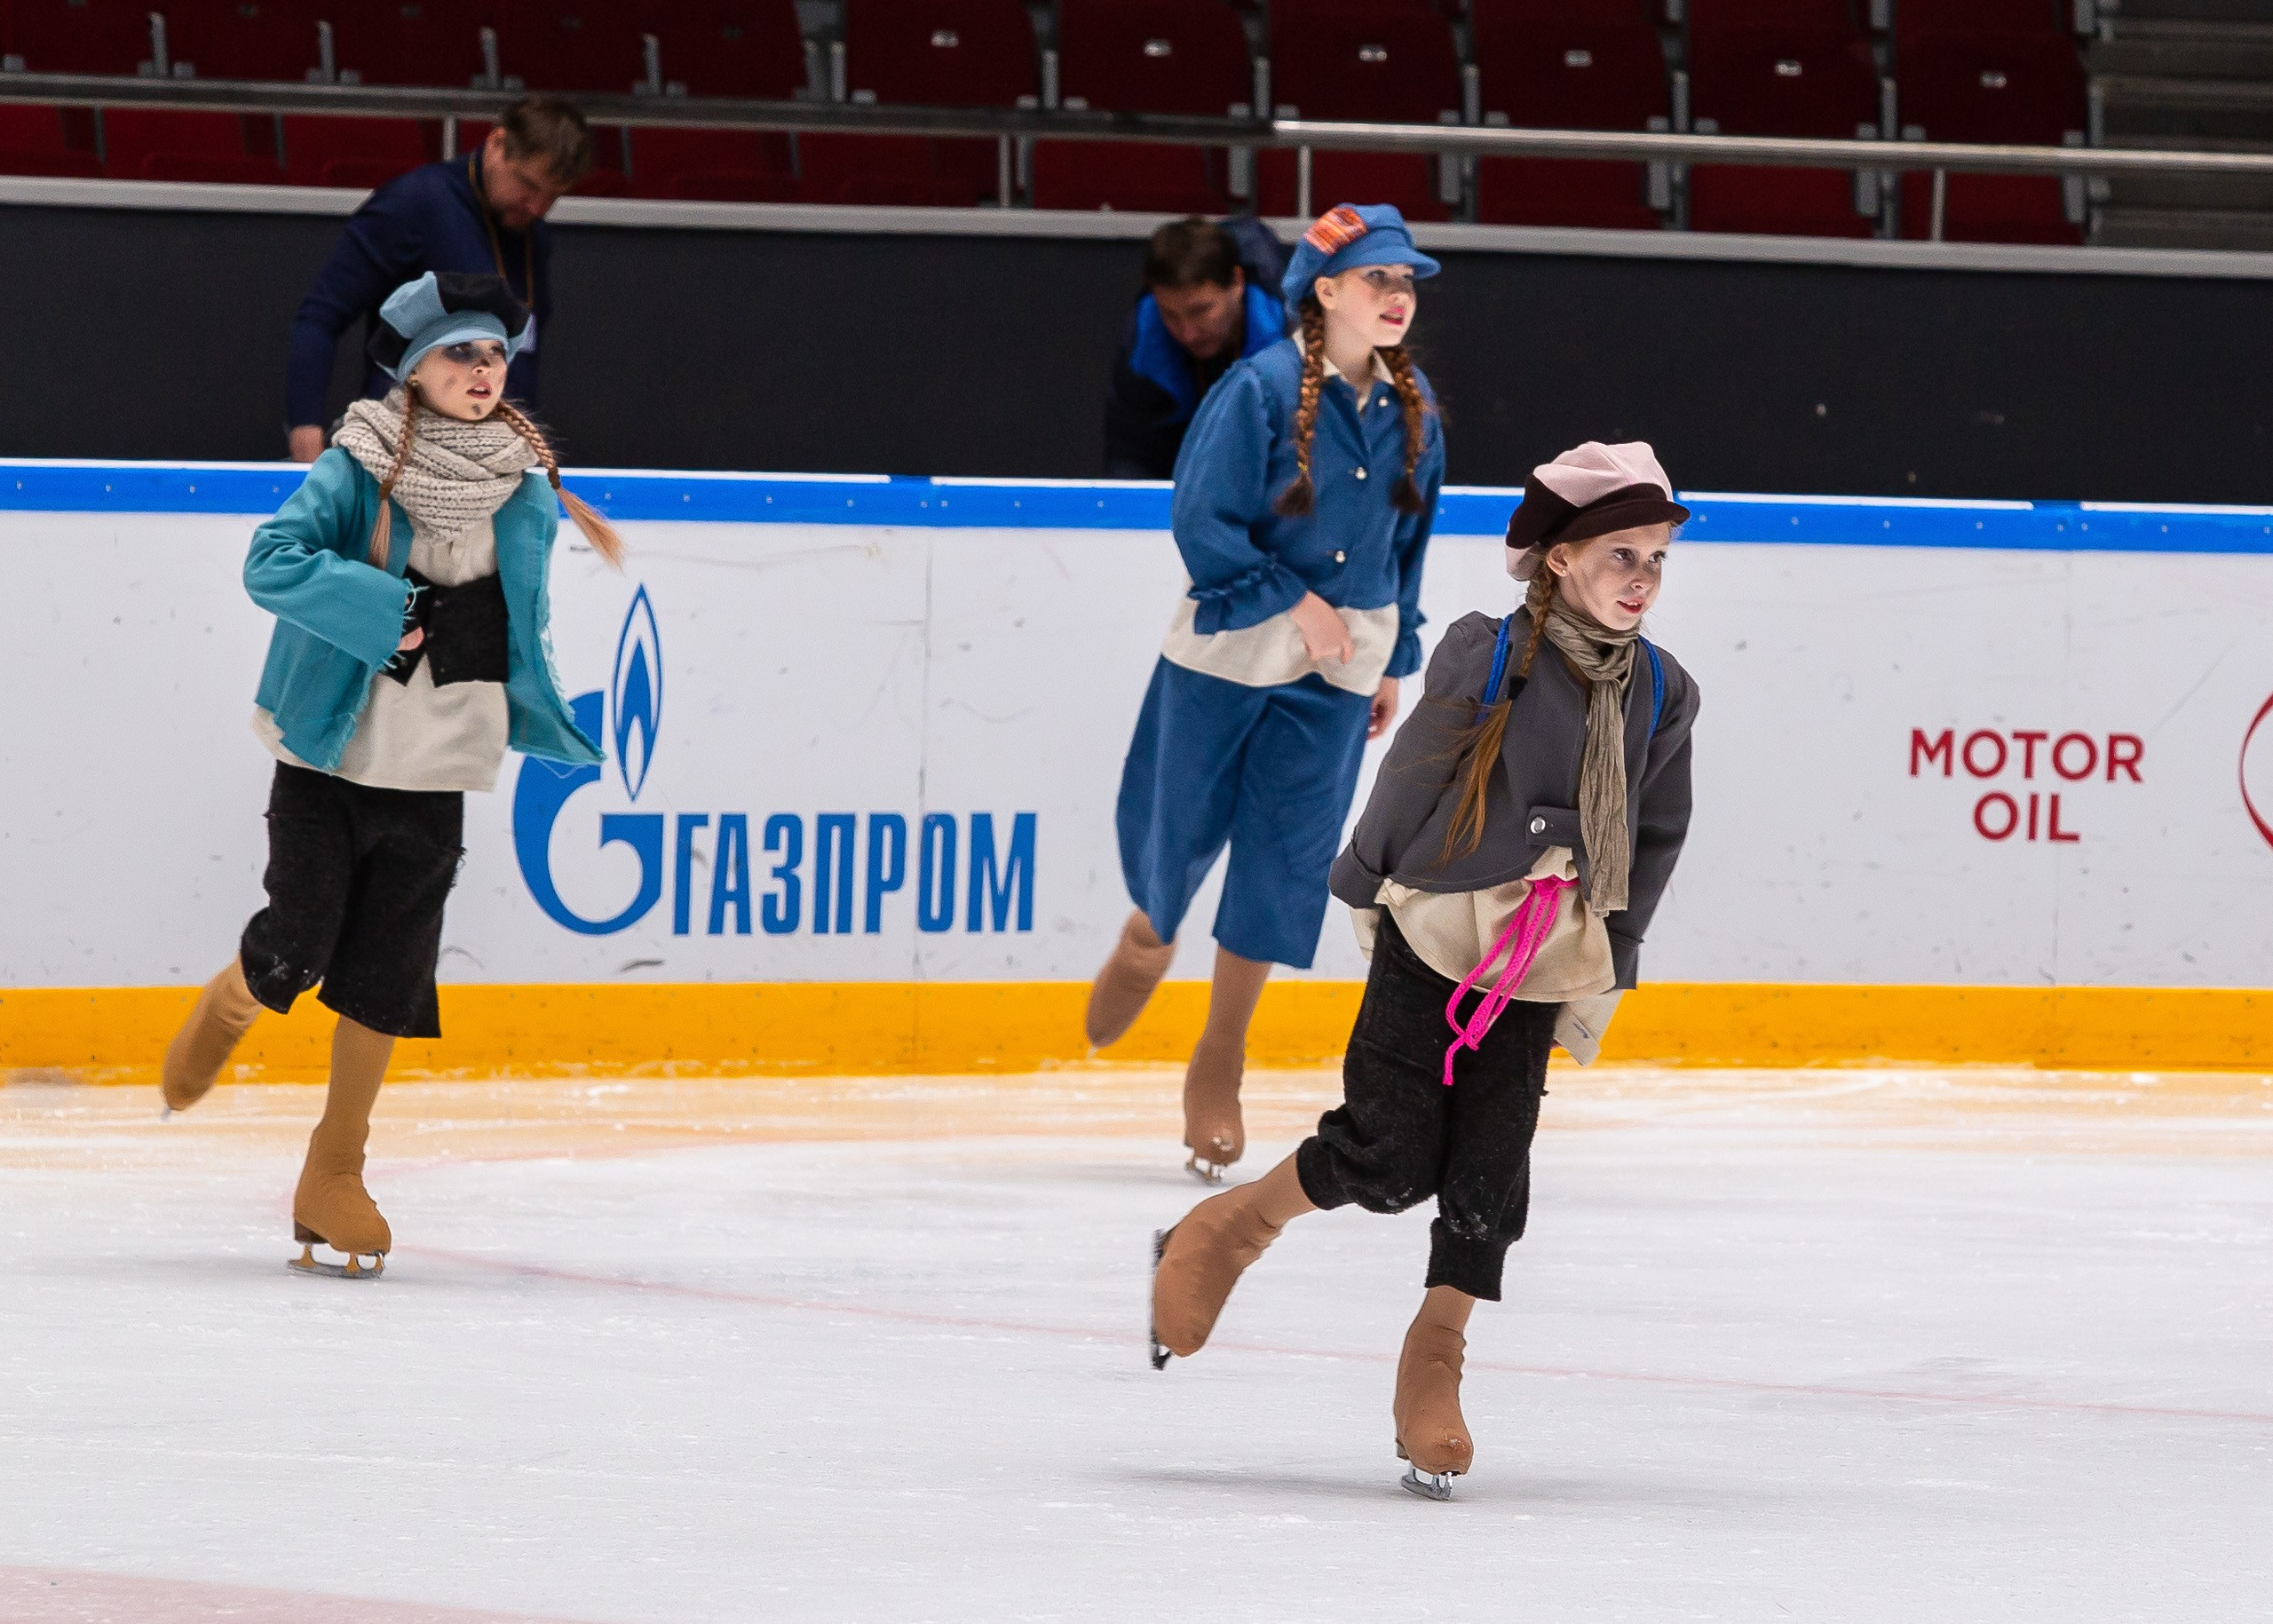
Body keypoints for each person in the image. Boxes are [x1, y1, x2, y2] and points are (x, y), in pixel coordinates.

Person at [1144, 441, 1702, 1501]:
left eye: (1657, 560)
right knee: (1392, 1152)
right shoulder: (1486, 653)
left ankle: (1435, 1358)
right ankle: (1233, 1226)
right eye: (1620, 553)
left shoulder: (1663, 691)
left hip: (1547, 947)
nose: (1642, 578)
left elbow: (1656, 826)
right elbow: (1413, 772)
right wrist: (1364, 885)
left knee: (1491, 1171)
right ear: (1556, 559)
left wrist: (1615, 952)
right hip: (1437, 921)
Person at [160, 271, 624, 1278]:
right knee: (298, 944)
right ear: (413, 371)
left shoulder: (521, 486)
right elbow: (269, 561)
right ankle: (237, 996)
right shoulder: (358, 463)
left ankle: (334, 1170)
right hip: (334, 749)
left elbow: (521, 617)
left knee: (386, 974)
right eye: (461, 352)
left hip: (440, 758)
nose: (483, 369)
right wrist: (383, 611)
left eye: (496, 352)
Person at [1085, 203, 1445, 1181]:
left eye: (1406, 282)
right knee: (1178, 826)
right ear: (1324, 291)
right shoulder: (1256, 389)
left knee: (1286, 857)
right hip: (1229, 655)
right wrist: (1294, 600)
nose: (1398, 297)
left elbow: (1403, 554)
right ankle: (1149, 931)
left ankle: (1220, 1054)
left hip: (1337, 672)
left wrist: (1391, 656)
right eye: (1379, 279)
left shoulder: (1417, 415)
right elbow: (1201, 521)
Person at [283, 97, 595, 463]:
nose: (537, 207)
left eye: (552, 196)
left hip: (496, 461)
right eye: (528, 185)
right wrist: (306, 438)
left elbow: (522, 354)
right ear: (497, 143)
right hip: (404, 453)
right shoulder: (415, 203)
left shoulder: (532, 235)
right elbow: (320, 317)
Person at [1102, 215, 1289, 479]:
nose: (1188, 334)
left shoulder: (1295, 340)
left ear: (1237, 283)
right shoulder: (1143, 341)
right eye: (1170, 315)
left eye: (1200, 310)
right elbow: (1131, 455)